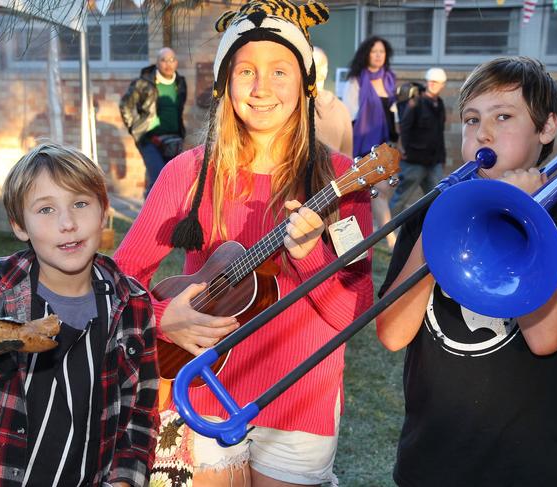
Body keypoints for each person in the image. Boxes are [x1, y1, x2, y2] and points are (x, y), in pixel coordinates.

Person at [113, 1, 374, 485]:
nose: (261, 88)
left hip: (301, 403)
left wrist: (309, 256)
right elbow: (118, 280)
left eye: (279, 71)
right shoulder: (187, 172)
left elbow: (351, 316)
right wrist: (159, 317)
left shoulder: (342, 179)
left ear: (305, 83)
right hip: (203, 395)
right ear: (223, 83)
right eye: (245, 71)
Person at [376, 56, 557, 487]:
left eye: (503, 116)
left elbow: (546, 337)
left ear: (547, 128)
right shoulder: (429, 218)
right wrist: (443, 223)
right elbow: (391, 334)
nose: (483, 132)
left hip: (531, 467)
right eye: (471, 119)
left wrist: (525, 221)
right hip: (431, 462)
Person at [0, 143, 159, 486]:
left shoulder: (133, 304)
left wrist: (125, 480)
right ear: (20, 226)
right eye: (46, 209)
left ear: (103, 210)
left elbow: (141, 412)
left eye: (80, 204)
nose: (68, 223)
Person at [343, 36, 398, 250]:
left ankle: (373, 233)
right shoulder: (356, 80)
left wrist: (396, 144)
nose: (378, 55)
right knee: (377, 192)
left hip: (385, 145)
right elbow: (349, 117)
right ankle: (390, 240)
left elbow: (395, 116)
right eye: (374, 51)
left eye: (382, 52)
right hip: (363, 145)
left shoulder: (389, 79)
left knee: (380, 192)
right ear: (366, 54)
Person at [120, 47, 187, 196]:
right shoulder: (143, 83)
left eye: (172, 60)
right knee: (157, 178)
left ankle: (169, 217)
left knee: (174, 180)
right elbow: (125, 105)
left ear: (176, 63)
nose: (168, 64)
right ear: (157, 63)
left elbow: (178, 109)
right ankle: (148, 217)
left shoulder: (180, 83)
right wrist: (135, 129)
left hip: (173, 139)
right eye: (163, 60)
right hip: (148, 139)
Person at [389, 68, 447, 215]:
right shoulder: (416, 102)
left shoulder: (440, 104)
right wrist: (403, 150)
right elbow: (404, 128)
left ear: (443, 85)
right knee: (401, 198)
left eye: (437, 82)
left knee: (439, 198)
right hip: (414, 161)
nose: (433, 85)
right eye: (431, 81)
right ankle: (385, 232)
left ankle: (432, 229)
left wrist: (442, 158)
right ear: (427, 82)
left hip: (434, 162)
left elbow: (439, 133)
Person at [313, 46, 353, 157]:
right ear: (325, 71)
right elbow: (348, 157)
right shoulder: (341, 109)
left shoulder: (293, 106)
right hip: (336, 173)